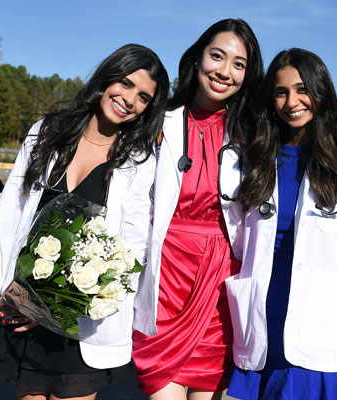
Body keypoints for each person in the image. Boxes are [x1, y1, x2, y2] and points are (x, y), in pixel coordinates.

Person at [0, 44, 169, 400]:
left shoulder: (138, 160)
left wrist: (51, 311)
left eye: (143, 97)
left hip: (78, 317)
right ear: (107, 78)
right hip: (20, 306)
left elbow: (132, 245)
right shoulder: (47, 132)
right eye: (124, 83)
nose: (129, 99)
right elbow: (9, 216)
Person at [132, 19, 263, 400]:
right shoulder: (157, 122)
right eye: (217, 56)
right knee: (162, 387)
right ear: (197, 59)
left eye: (238, 64)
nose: (225, 71)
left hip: (220, 280)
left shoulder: (253, 134)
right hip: (166, 277)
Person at [226, 48, 337, 400]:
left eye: (302, 89)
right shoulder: (253, 156)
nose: (291, 101)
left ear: (320, 92)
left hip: (319, 309)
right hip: (265, 301)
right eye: (281, 92)